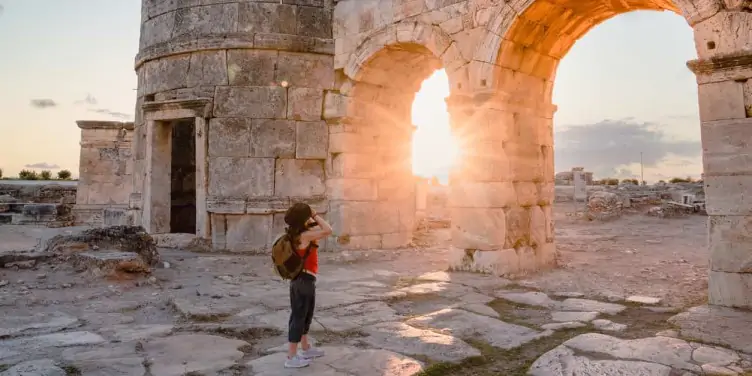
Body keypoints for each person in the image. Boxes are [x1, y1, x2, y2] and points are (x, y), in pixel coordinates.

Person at [283, 202, 333, 369]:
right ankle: (291, 357)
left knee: (305, 315)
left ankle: (305, 349)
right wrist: (315, 214)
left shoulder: (299, 233)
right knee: (298, 317)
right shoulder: (304, 235)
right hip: (303, 281)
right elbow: (328, 230)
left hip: (304, 280)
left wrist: (310, 216)